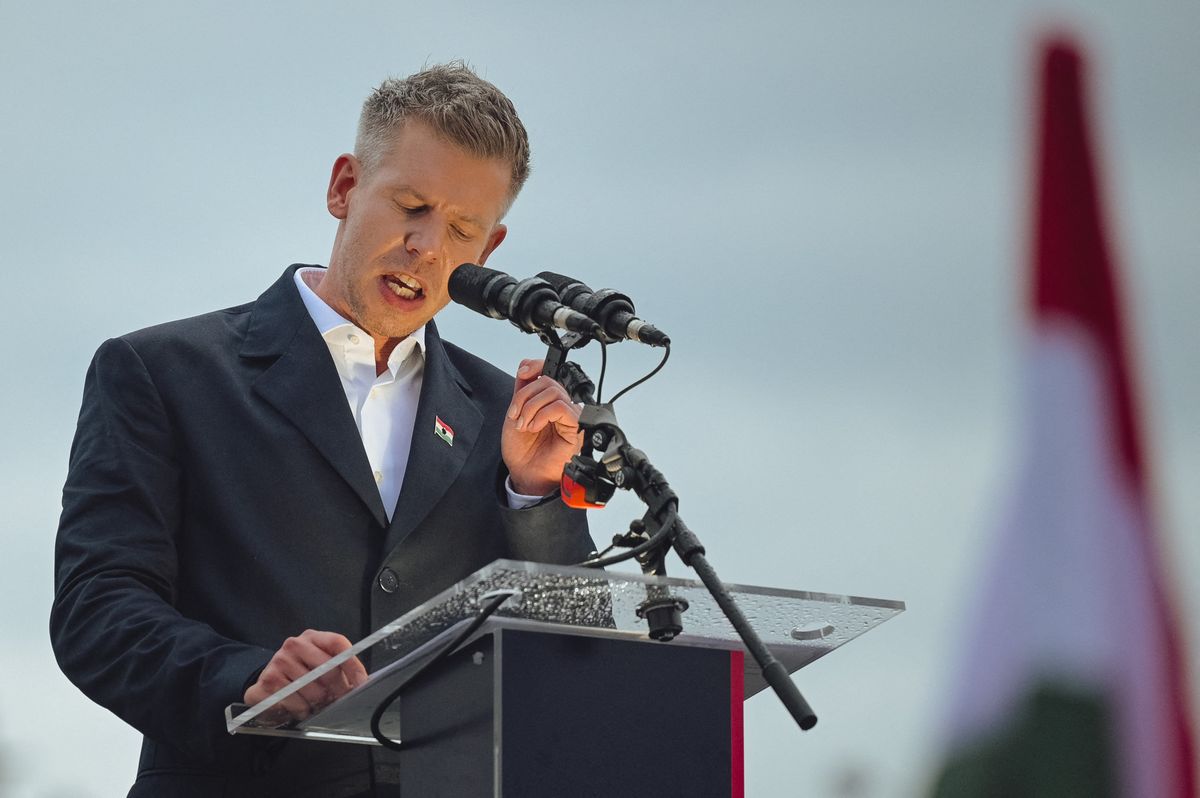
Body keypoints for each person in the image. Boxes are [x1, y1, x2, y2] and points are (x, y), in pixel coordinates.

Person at [51, 63, 594, 797]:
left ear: (488, 253)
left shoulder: (506, 417)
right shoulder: (162, 372)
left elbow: (566, 656)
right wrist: (248, 683)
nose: (427, 246)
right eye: (410, 205)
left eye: (461, 229)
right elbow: (98, 609)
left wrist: (536, 497)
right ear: (344, 187)